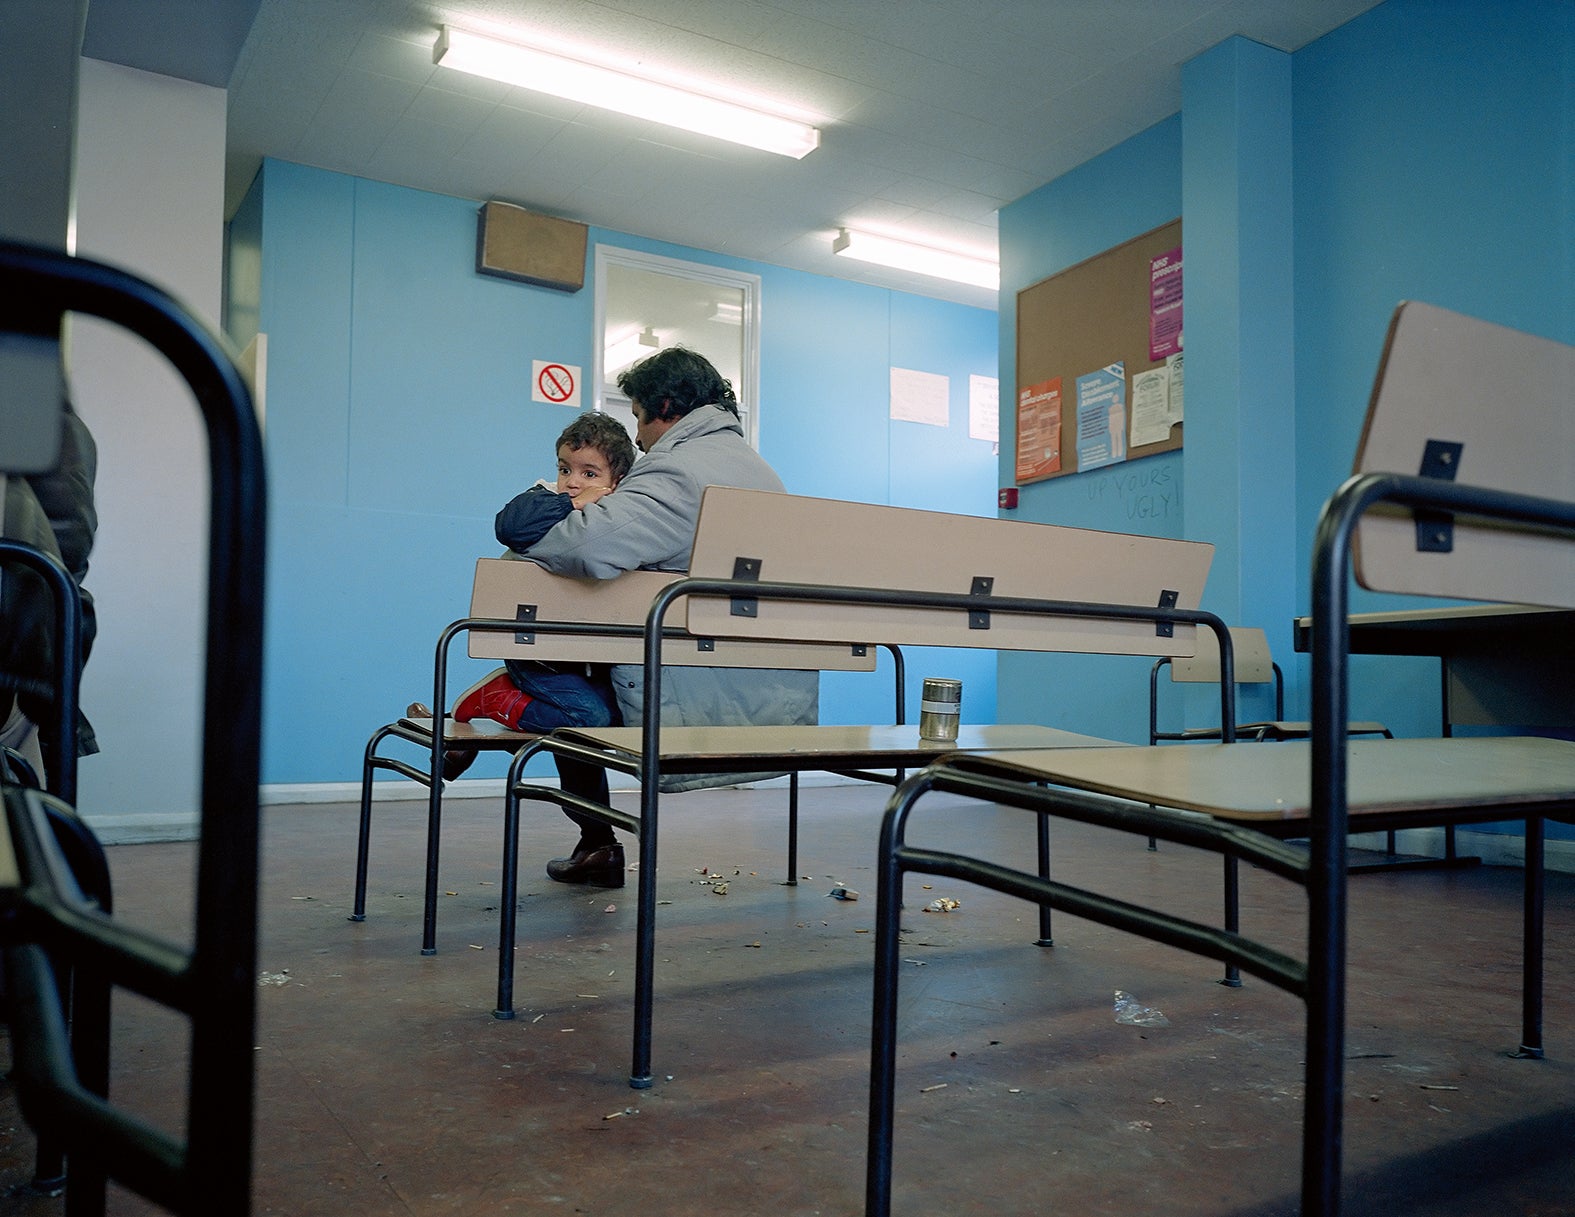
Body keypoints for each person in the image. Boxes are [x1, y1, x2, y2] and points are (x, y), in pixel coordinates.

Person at [460, 346, 817, 888]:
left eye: (638, 418)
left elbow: (589, 547)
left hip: (684, 676)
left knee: (581, 713)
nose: (641, 436)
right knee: (583, 697)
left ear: (664, 407)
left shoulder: (674, 470)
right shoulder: (762, 472)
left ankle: (595, 838)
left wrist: (570, 507)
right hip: (755, 678)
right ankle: (596, 844)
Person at [437, 411, 637, 763]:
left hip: (582, 652)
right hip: (533, 650)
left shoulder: (616, 519)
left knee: (603, 728)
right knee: (588, 719)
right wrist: (572, 503)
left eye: (588, 474)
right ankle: (494, 698)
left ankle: (593, 821)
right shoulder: (545, 499)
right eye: (565, 469)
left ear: (616, 482)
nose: (572, 481)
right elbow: (511, 525)